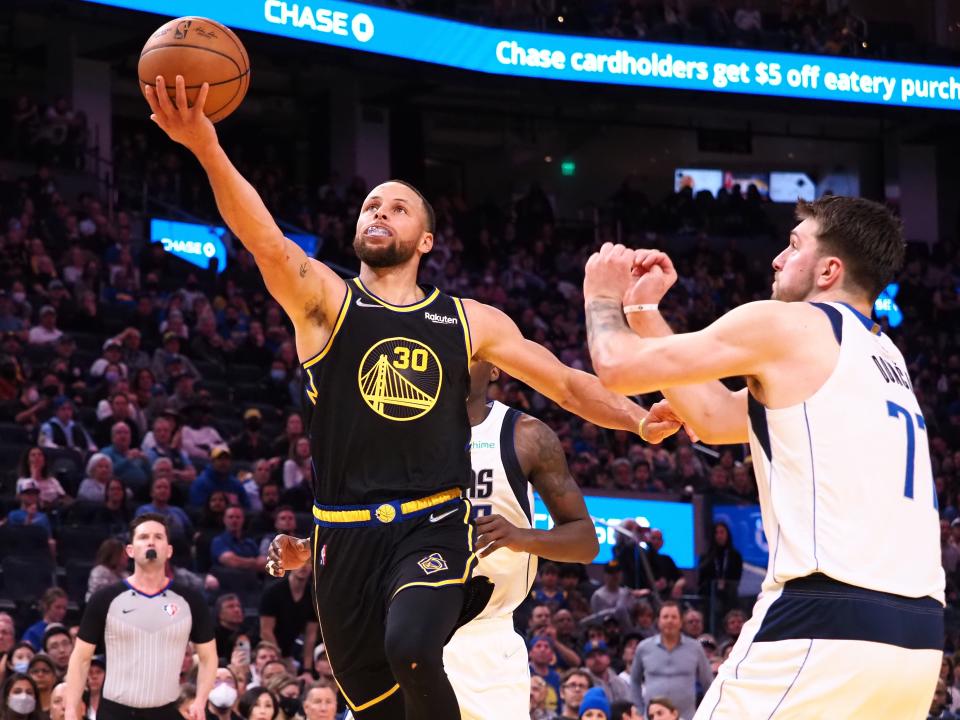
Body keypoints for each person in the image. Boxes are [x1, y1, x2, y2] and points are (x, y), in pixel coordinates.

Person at [144, 74, 680, 720]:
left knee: (414, 648)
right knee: (380, 707)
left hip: (429, 519)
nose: (379, 213)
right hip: (341, 538)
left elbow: (563, 382)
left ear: (425, 240)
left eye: (397, 208)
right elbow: (262, 238)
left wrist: (636, 418)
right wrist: (205, 143)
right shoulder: (325, 304)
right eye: (371, 206)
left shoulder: (469, 320)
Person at [583, 196, 945, 717]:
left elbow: (615, 367)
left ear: (829, 269)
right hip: (915, 640)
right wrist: (643, 313)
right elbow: (714, 417)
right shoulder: (886, 355)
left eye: (794, 245)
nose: (777, 258)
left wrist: (601, 295)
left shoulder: (788, 324)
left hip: (824, 620)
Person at [443, 361, 603, 717]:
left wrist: (521, 537)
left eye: (472, 351)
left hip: (489, 640)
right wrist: (308, 547)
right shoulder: (402, 432)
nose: (457, 354)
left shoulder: (525, 434)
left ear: (495, 369)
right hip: (409, 627)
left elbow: (586, 542)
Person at [63, 514, 218, 720]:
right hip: (114, 712)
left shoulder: (190, 600)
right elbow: (81, 658)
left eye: (158, 537)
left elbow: (208, 657)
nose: (151, 541)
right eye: (144, 537)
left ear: (169, 550)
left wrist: (201, 701)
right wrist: (71, 710)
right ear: (130, 550)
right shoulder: (105, 598)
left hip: (166, 711)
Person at [630, 601, 712, 719]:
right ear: (658, 621)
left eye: (674, 617)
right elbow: (634, 681)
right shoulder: (644, 647)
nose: (669, 621)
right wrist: (639, 709)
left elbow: (708, 683)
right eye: (665, 617)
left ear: (680, 622)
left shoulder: (695, 648)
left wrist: (705, 713)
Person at [258, 567, 317, 676]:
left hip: (287, 651)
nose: (303, 566)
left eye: (307, 562)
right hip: (263, 649)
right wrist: (280, 661)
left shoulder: (313, 594)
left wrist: (307, 670)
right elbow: (265, 632)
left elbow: (310, 636)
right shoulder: (273, 591)